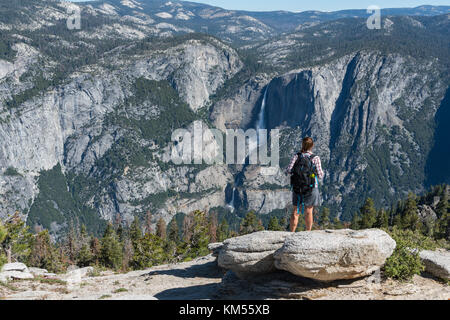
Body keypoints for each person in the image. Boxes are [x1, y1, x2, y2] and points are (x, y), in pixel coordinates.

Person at [286, 137, 324, 232]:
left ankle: (291, 232)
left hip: (297, 187)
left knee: (295, 211)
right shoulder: (315, 158)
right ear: (312, 146)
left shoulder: (297, 156)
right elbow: (320, 175)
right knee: (309, 210)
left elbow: (288, 170)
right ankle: (308, 232)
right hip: (311, 188)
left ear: (302, 145)